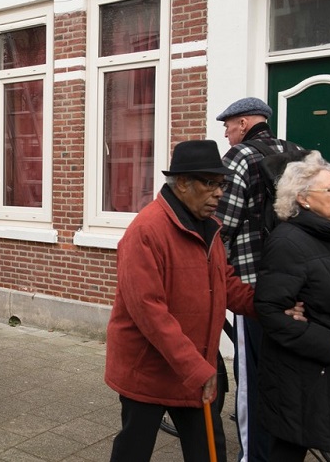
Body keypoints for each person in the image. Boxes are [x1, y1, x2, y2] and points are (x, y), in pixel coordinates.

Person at [106, 139, 257, 462]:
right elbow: (150, 312)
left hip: (194, 369)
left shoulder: (210, 229)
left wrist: (269, 306)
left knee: (209, 451)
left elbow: (225, 283)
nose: (220, 193)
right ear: (183, 183)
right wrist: (197, 368)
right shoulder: (146, 231)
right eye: (210, 183)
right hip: (149, 371)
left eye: (222, 184)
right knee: (134, 450)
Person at [254, 151, 330, 462]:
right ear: (303, 199)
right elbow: (271, 311)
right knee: (292, 444)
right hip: (310, 374)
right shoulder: (288, 243)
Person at [215, 96, 301, 462]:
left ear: (247, 123)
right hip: (298, 284)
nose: (226, 131)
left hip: (255, 285)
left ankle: (254, 456)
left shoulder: (238, 158)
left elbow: (222, 222)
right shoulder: (298, 152)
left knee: (252, 379)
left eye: (230, 125)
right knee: (288, 374)